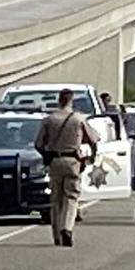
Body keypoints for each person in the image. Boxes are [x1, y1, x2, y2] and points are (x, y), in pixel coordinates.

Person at [34, 88, 99, 247]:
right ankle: (67, 228)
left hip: (55, 160)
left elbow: (38, 144)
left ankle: (57, 235)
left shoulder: (49, 119)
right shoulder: (78, 119)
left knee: (56, 198)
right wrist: (91, 157)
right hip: (73, 160)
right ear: (71, 100)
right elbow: (93, 139)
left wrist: (46, 156)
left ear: (59, 100)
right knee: (71, 197)